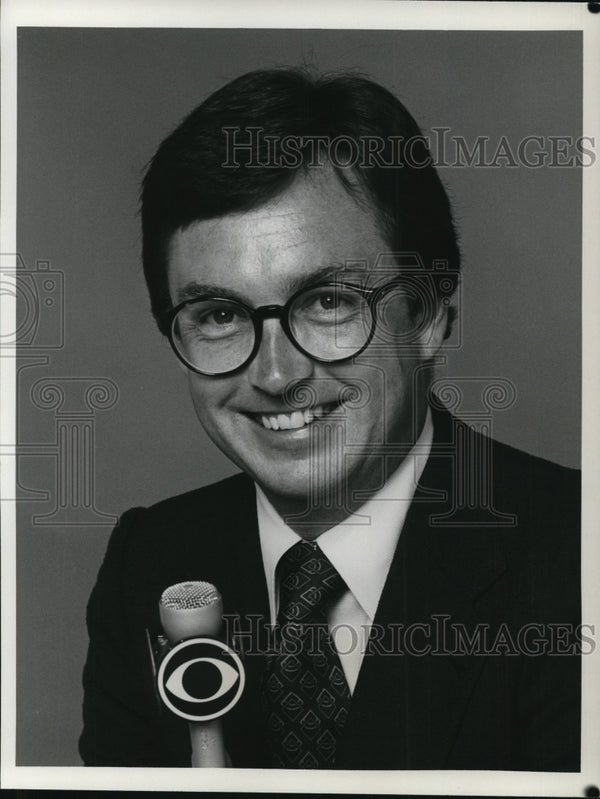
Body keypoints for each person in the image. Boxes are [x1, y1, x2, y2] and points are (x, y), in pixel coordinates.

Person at [79, 68, 581, 770]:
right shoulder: (150, 561)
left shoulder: (577, 559)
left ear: (429, 314)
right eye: (219, 315)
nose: (277, 376)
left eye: (327, 302)